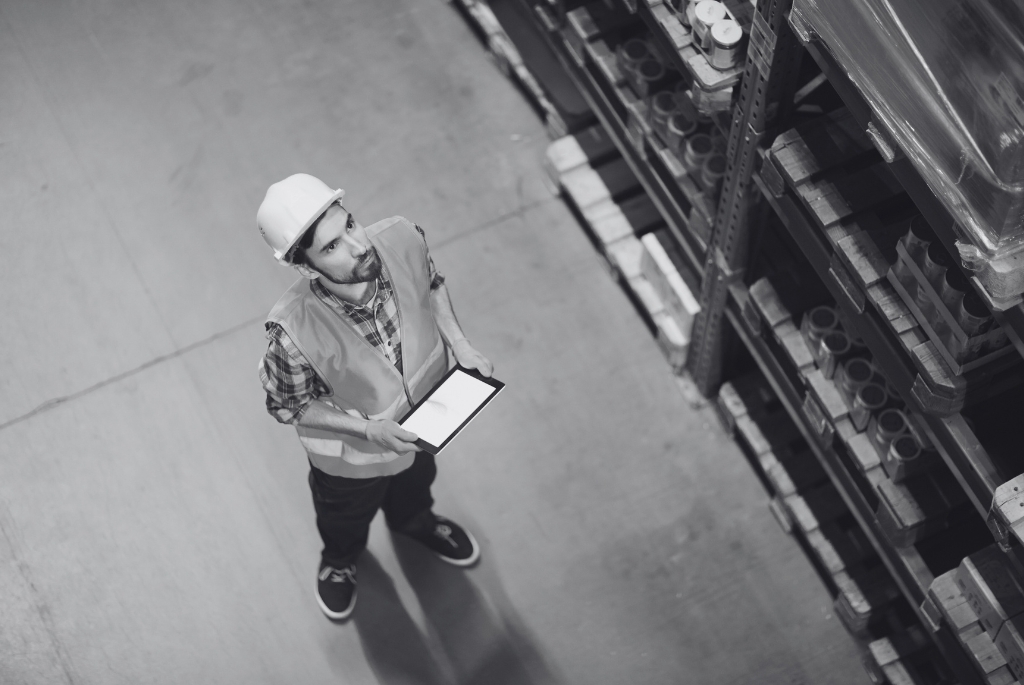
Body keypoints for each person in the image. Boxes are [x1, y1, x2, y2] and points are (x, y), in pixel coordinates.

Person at [256, 173, 494, 621]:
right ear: (305, 266)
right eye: (331, 247)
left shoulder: (403, 238)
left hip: (426, 423)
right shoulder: (292, 334)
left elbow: (432, 283)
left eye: (349, 225)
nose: (357, 245)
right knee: (343, 521)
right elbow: (287, 405)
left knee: (416, 488)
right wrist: (368, 429)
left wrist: (460, 345)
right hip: (350, 463)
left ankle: (416, 523)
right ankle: (340, 562)